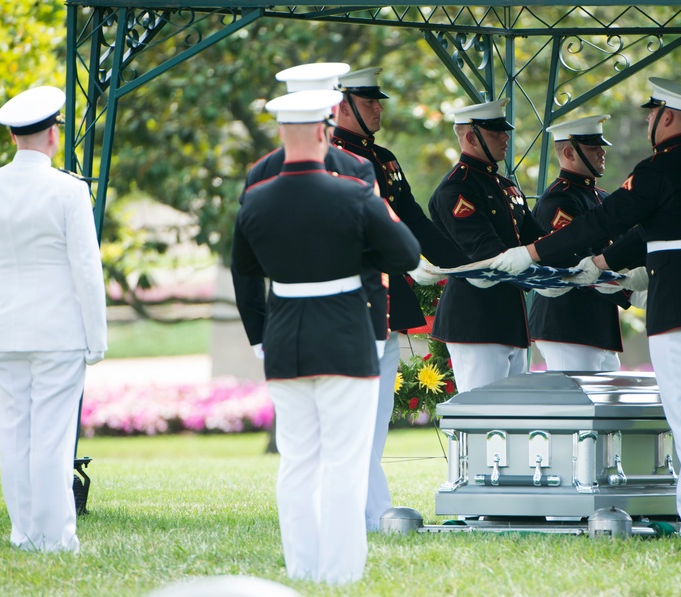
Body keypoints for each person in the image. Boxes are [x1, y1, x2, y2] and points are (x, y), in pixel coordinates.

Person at [492, 78, 681, 535]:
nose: (649, 120)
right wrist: (602, 263)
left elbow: (606, 220)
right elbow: (649, 231)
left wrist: (533, 252)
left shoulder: (657, 169)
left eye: (652, 113)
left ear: (667, 116)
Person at [230, 89, 420, 584]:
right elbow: (405, 252)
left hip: (284, 337)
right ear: (324, 130)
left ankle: (303, 567)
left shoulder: (255, 199)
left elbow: (244, 270)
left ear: (281, 132)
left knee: (296, 462)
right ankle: (339, 573)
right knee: (344, 462)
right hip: (344, 334)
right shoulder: (353, 193)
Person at [0, 86, 107, 552]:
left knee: (14, 438)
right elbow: (87, 270)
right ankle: (55, 537)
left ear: (12, 136)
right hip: (58, 333)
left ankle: (23, 534)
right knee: (52, 440)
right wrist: (97, 338)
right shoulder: (69, 189)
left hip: (2, 332)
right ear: (53, 135)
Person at [331, 66, 469, 531]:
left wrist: (463, 265)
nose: (378, 108)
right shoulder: (331, 156)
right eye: (368, 101)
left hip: (386, 302)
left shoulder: (384, 158)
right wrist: (404, 257)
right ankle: (368, 512)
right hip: (354, 297)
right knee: (355, 416)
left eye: (378, 100)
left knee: (375, 417)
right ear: (342, 105)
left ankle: (366, 510)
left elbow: (413, 218)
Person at [234, 63, 381, 364]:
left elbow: (244, 265)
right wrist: (377, 324)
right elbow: (377, 253)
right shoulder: (356, 168)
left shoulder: (261, 171)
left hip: (285, 324)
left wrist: (258, 332)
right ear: (334, 109)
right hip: (350, 320)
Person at [427, 98, 548, 393]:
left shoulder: (505, 186)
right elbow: (485, 250)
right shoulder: (457, 187)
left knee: (511, 414)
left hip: (510, 319)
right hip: (476, 320)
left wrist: (577, 261)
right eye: (496, 132)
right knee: (482, 412)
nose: (506, 137)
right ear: (471, 137)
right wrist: (542, 273)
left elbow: (538, 239)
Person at [529, 114, 636, 372]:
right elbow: (574, 259)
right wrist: (630, 291)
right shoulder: (559, 200)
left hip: (596, 323)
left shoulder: (600, 197)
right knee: (575, 396)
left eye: (600, 146)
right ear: (569, 152)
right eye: (592, 147)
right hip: (567, 323)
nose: (602, 152)